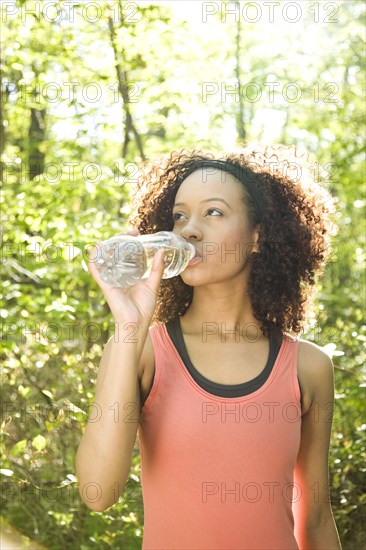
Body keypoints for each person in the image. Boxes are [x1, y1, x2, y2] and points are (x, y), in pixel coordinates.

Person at [76, 145, 342, 549]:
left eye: (213, 212)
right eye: (180, 216)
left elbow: (317, 519)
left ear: (257, 236)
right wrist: (129, 325)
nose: (189, 230)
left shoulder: (309, 366)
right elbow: (98, 493)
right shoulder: (141, 350)